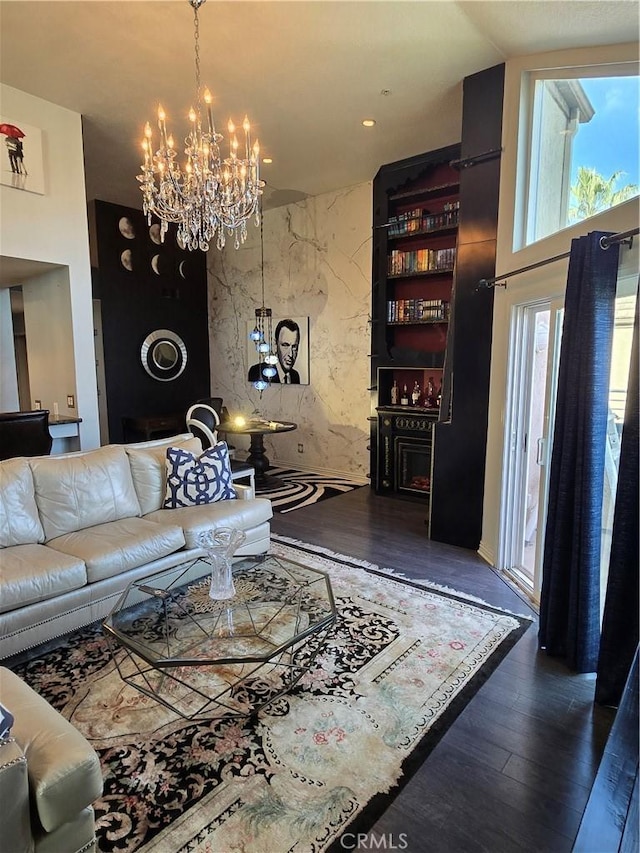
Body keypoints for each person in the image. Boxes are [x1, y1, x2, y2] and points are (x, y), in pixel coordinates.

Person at [248, 318, 301, 384]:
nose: (290, 354)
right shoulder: (257, 372)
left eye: (294, 347)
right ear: (275, 346)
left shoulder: (295, 376)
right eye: (285, 345)